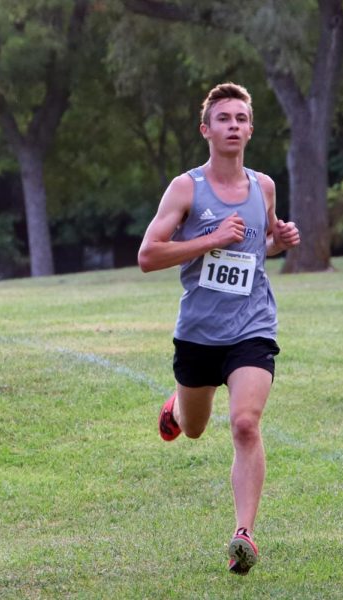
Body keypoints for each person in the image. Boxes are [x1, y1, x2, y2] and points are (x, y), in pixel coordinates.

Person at [137, 83, 300, 575]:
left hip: (252, 325)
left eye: (241, 118)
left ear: (250, 128)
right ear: (206, 129)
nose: (233, 125)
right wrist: (208, 238)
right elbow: (147, 256)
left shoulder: (263, 186)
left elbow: (260, 244)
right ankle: (176, 406)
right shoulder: (186, 188)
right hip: (199, 331)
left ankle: (243, 535)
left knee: (245, 423)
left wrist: (280, 239)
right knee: (194, 428)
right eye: (224, 118)